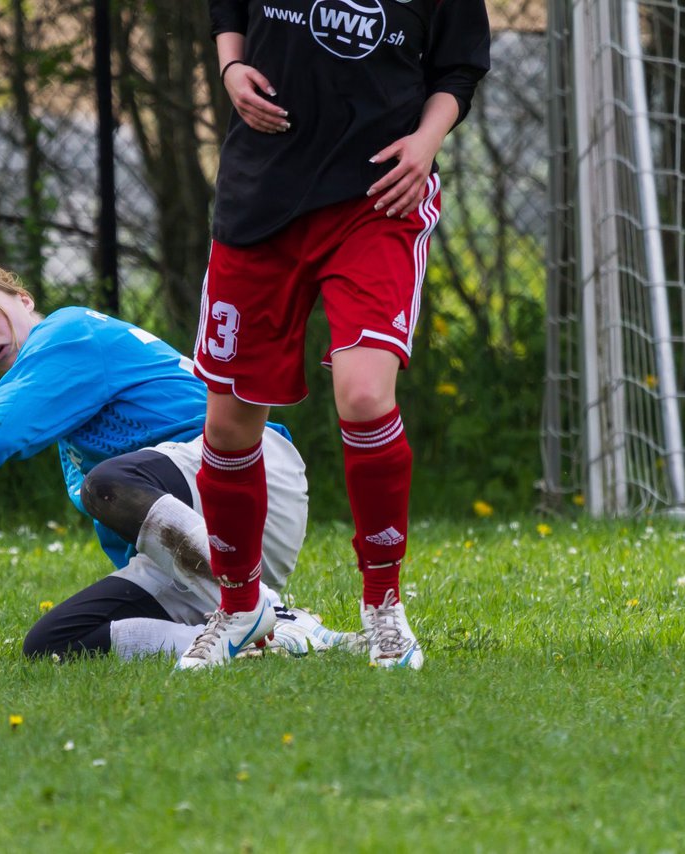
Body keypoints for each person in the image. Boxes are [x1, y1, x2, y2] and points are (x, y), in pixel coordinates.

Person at [0, 261, 356, 662]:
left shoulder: (67, 333)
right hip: (204, 528)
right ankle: (268, 638)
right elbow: (130, 519)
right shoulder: (61, 405)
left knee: (107, 483)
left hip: (245, 477)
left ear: (22, 299)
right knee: (57, 642)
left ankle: (255, 607)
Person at [177, 0, 492, 669]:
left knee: (364, 394)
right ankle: (239, 607)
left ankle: (384, 608)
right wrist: (232, 66)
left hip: (378, 198)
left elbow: (458, 67)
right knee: (230, 426)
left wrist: (426, 141)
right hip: (262, 195)